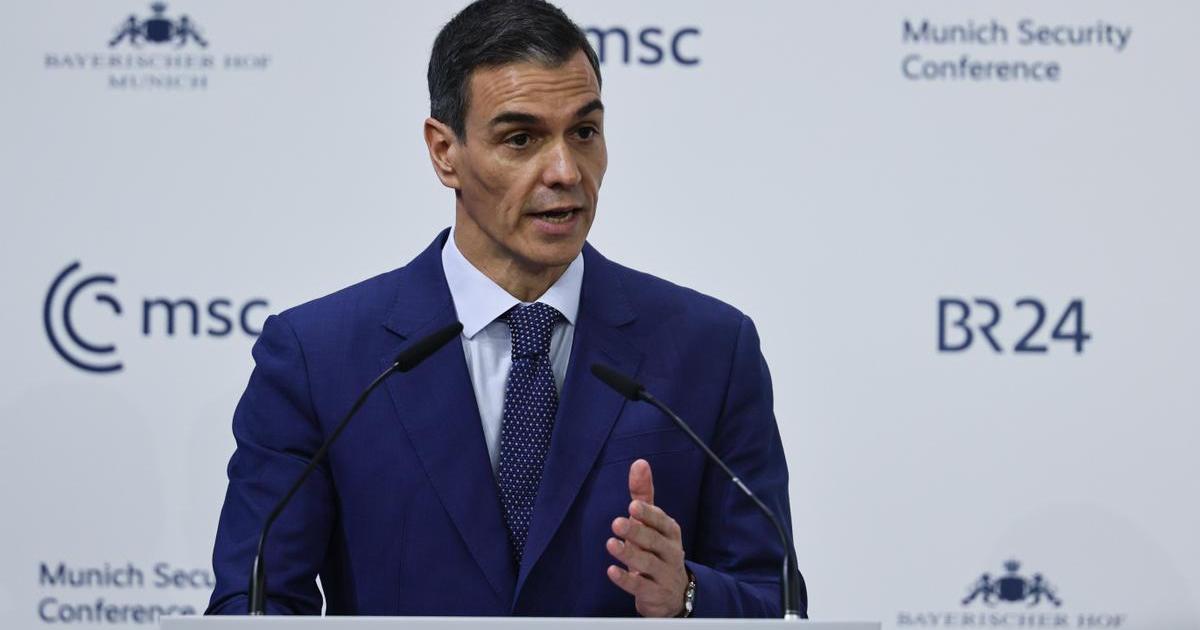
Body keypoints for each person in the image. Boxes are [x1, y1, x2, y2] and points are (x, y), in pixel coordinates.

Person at [206, 0, 803, 618]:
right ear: (445, 151)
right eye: (521, 139)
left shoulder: (709, 348)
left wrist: (686, 595)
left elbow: (777, 599)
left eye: (584, 132)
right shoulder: (321, 358)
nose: (566, 171)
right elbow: (253, 603)